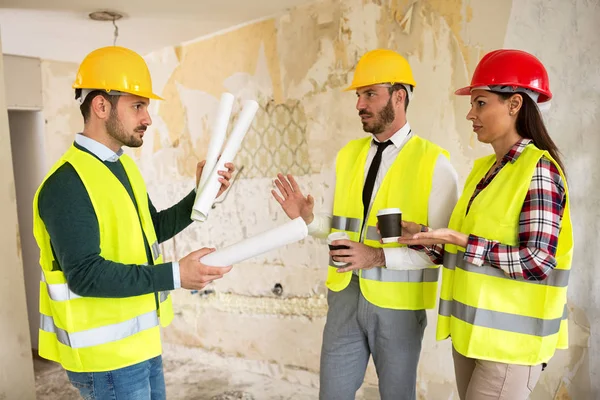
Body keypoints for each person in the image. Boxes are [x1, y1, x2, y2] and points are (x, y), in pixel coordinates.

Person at [32, 46, 234, 399]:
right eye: (137, 106)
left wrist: (203, 195)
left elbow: (150, 229)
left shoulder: (122, 166)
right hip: (106, 361)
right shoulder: (66, 184)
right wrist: (175, 275)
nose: (148, 118)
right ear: (101, 106)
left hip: (141, 343)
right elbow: (84, 274)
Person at [271, 49, 459, 399]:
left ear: (399, 96)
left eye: (369, 93)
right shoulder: (348, 155)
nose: (359, 103)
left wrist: (376, 257)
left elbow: (443, 249)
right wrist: (309, 219)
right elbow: (342, 227)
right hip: (344, 295)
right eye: (358, 95)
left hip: (398, 306)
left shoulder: (435, 164)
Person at [399, 49, 573, 400]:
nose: (470, 113)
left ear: (514, 105)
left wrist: (462, 240)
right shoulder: (483, 171)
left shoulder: (538, 170)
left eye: (480, 103)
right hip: (471, 335)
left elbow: (538, 262)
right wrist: (427, 239)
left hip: (510, 348)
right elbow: (467, 252)